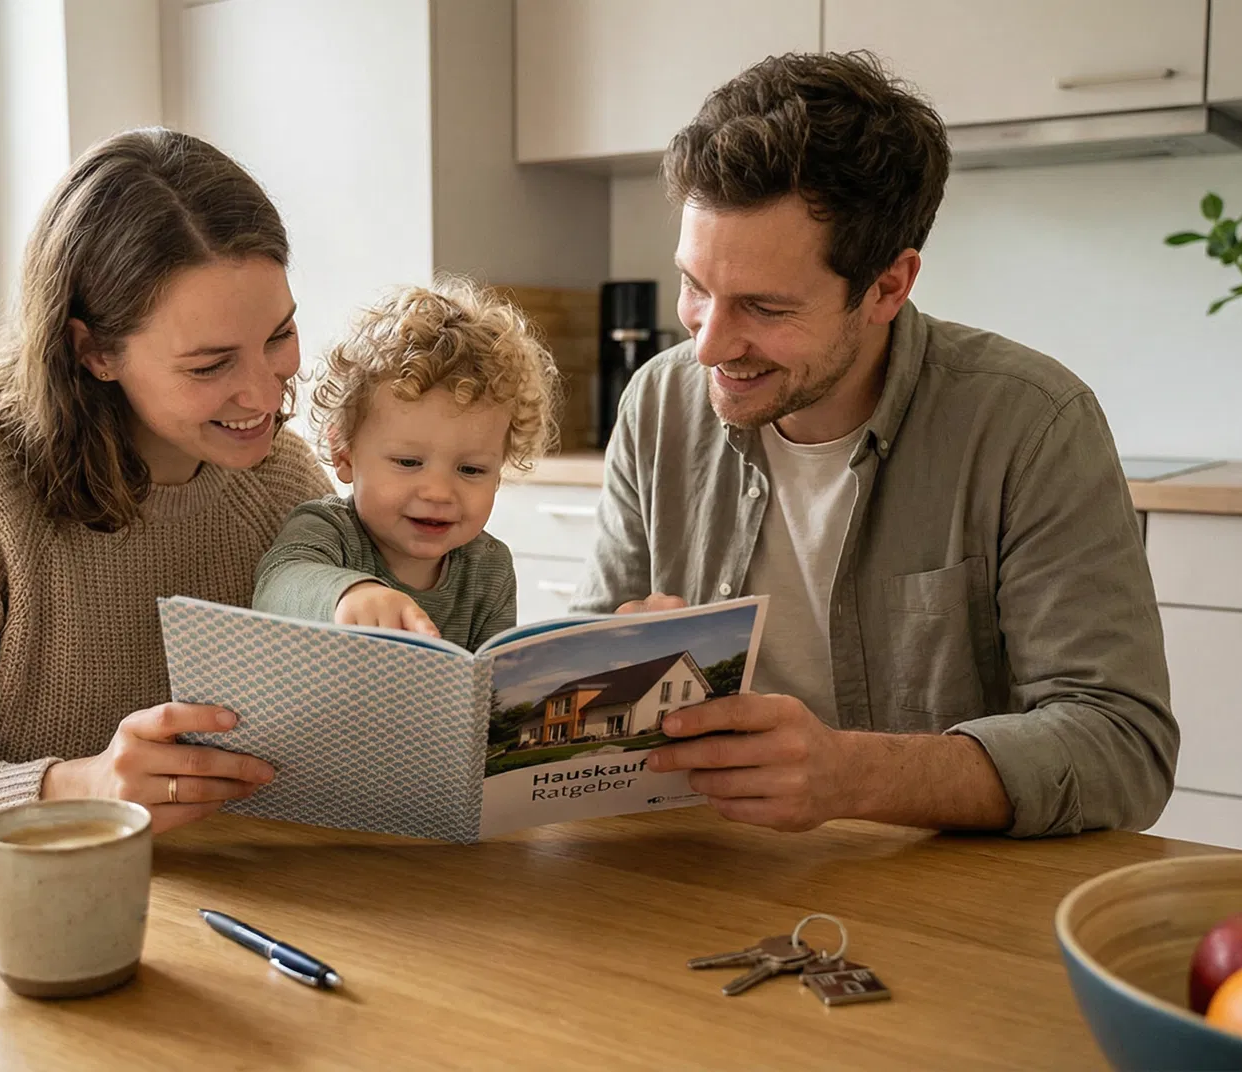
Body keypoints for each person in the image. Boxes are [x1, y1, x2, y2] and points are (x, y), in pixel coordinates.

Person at [570, 51, 1178, 839]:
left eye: (763, 306)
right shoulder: (659, 401)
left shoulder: (1032, 425)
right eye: (695, 286)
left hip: (937, 889)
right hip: (702, 861)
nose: (711, 345)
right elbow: (582, 670)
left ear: (889, 286)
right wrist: (607, 667)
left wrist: (852, 776)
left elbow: (1123, 746)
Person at [0, 128, 333, 913]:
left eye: (278, 335)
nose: (264, 391)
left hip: (154, 893)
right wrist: (81, 788)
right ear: (94, 352)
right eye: (210, 365)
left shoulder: (281, 479)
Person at [253, 280, 559, 650]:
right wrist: (349, 594)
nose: (438, 492)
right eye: (409, 462)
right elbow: (277, 586)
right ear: (344, 453)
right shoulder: (329, 531)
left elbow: (490, 686)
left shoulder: (488, 569)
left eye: (472, 470)